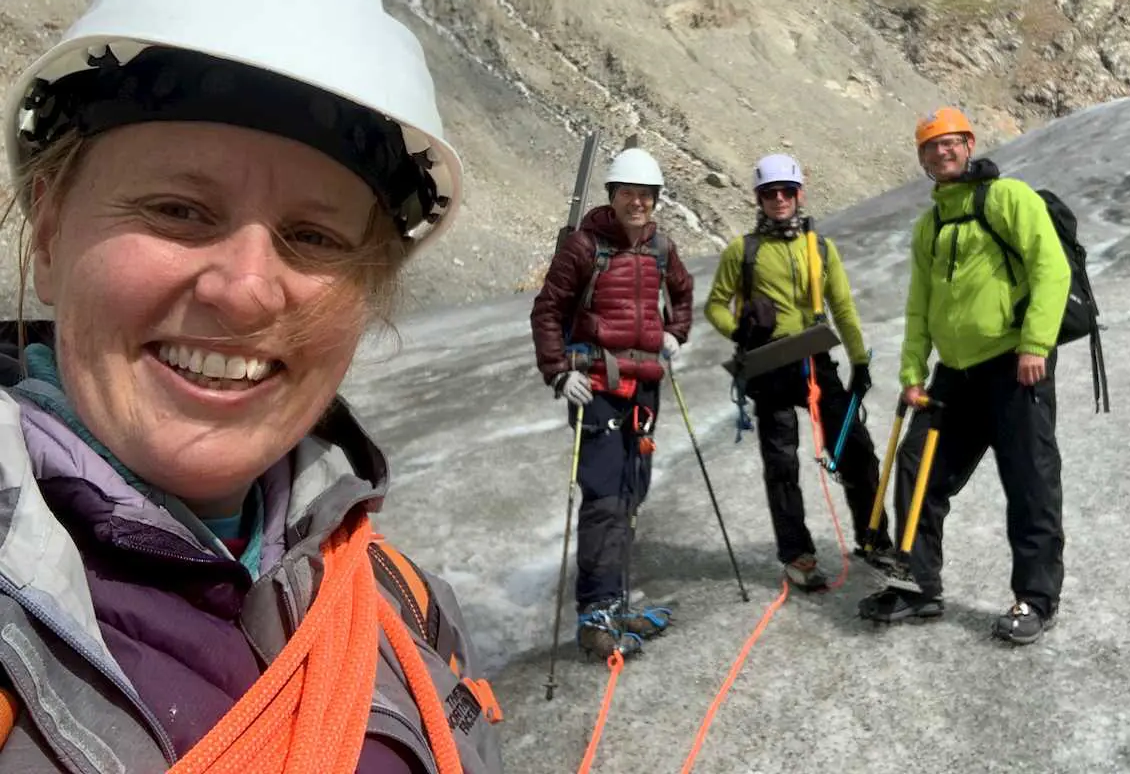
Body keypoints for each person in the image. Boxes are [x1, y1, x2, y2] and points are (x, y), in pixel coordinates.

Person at [0, 1, 505, 771]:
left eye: (312, 237)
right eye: (177, 210)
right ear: (47, 232)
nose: (245, 291)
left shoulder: (407, 607)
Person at [857, 107, 1071, 646]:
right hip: (954, 375)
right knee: (919, 468)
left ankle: (1036, 600)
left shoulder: (1008, 198)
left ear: (969, 144)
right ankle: (919, 587)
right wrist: (912, 372)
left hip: (1015, 367)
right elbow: (919, 307)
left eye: (950, 142)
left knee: (1029, 483)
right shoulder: (929, 226)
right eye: (931, 146)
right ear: (922, 157)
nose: (942, 152)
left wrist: (1034, 343)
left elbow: (1052, 268)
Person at [529, 147, 693, 660]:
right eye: (629, 194)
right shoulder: (584, 247)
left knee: (632, 490)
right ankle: (595, 612)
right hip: (596, 384)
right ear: (613, 196)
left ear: (655, 200)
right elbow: (548, 310)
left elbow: (682, 295)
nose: (637, 203)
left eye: (646, 196)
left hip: (644, 387)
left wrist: (675, 334)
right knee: (603, 497)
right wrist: (558, 374)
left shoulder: (661, 248)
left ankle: (616, 597)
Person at [703, 153, 894, 591]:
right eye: (769, 194)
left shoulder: (821, 248)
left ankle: (874, 539)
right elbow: (714, 304)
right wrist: (739, 330)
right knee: (781, 462)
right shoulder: (743, 251)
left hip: (814, 360)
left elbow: (841, 306)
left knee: (857, 451)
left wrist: (859, 359)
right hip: (769, 364)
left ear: (799, 193)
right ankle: (797, 554)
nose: (779, 200)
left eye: (786, 192)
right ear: (759, 198)